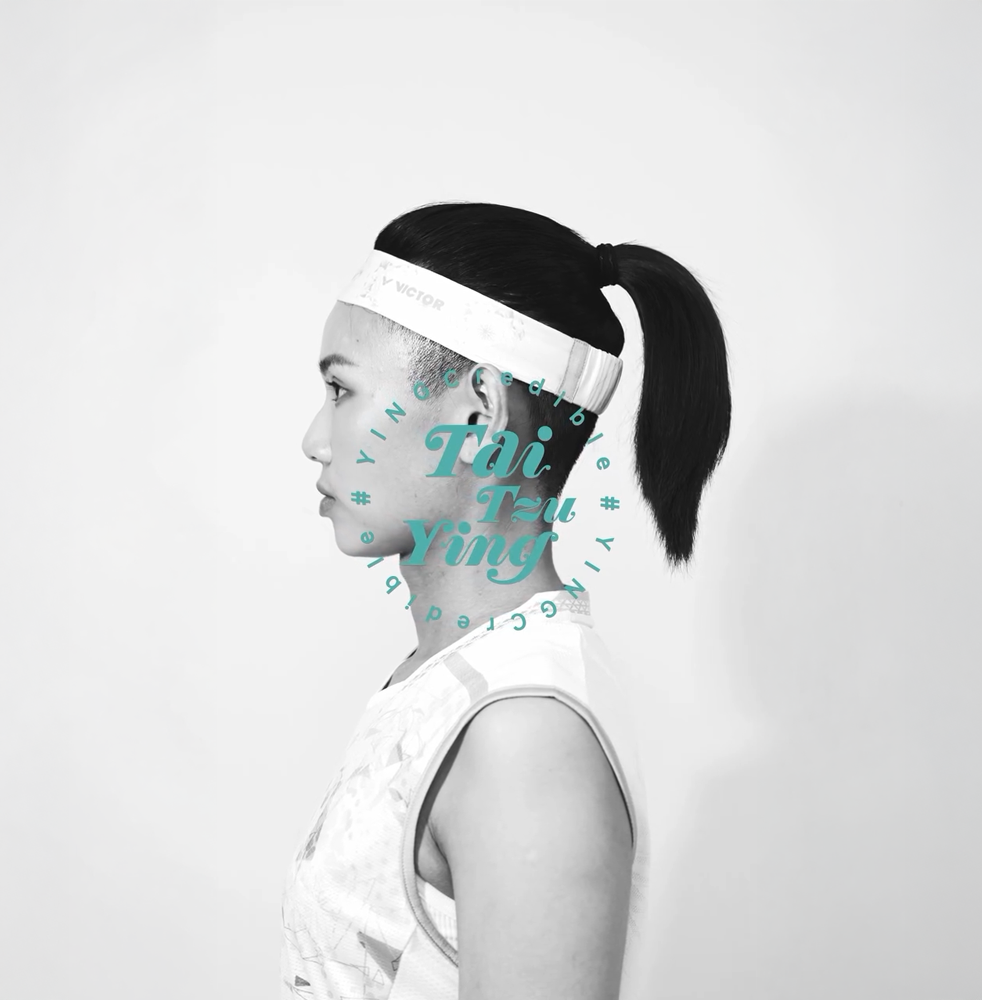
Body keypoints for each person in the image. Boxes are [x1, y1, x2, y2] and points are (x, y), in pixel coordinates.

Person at [283, 202, 732, 999]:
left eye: (341, 389)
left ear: (479, 413)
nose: (315, 439)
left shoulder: (523, 738)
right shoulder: (451, 683)